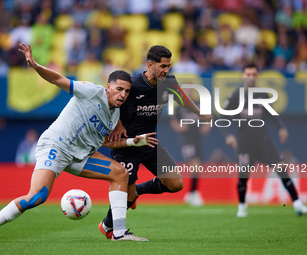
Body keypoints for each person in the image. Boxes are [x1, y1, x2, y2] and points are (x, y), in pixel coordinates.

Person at [0, 43, 158, 243]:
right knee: (37, 196)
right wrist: (35, 65)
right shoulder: (92, 91)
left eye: (127, 92)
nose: (123, 95)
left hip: (81, 156)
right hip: (55, 147)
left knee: (120, 173)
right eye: (119, 89)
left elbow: (107, 143)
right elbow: (59, 79)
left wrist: (132, 142)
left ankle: (119, 233)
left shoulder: (114, 115)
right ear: (108, 86)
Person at [98, 45, 212, 239]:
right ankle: (109, 226)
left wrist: (200, 113)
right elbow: (109, 101)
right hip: (127, 144)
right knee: (128, 196)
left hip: (149, 142)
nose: (166, 70)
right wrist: (117, 123)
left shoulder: (169, 82)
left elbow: (182, 99)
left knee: (175, 184)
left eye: (169, 66)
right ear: (150, 65)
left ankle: (136, 192)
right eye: (162, 66)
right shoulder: (133, 85)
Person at [222, 63, 307, 217]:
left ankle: (297, 204)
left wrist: (281, 127)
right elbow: (222, 117)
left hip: (263, 142)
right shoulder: (235, 96)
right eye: (248, 74)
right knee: (243, 177)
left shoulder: (262, 95)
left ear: (257, 76)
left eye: (254, 74)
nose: (251, 78)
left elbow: (272, 113)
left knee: (281, 169)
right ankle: (242, 206)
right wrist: (228, 135)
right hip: (245, 144)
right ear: (243, 76)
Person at [170, 89, 211, 206]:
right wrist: (179, 127)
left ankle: (191, 193)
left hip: (198, 139)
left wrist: (207, 125)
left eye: (190, 91)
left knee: (196, 166)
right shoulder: (180, 107)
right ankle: (193, 193)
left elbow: (208, 117)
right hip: (186, 140)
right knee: (195, 164)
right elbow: (173, 121)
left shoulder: (199, 105)